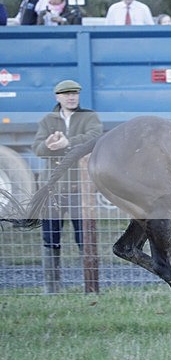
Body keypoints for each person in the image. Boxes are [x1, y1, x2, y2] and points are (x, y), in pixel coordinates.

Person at [31, 79, 103, 293]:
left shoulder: (89, 117)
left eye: (74, 93)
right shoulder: (47, 120)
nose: (71, 97)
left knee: (84, 238)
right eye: (66, 94)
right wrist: (49, 144)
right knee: (50, 239)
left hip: (80, 190)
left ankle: (90, 287)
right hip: (52, 191)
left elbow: (95, 137)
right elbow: (37, 148)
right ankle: (51, 288)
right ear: (57, 97)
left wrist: (67, 143)